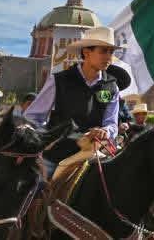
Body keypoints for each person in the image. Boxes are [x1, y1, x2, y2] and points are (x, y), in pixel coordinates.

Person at [25, 26, 123, 178]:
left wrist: (105, 131)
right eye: (104, 51)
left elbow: (111, 123)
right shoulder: (59, 80)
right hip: (56, 156)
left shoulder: (112, 86)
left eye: (111, 52)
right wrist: (46, 138)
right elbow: (32, 117)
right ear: (87, 52)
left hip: (92, 156)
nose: (109, 57)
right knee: (36, 189)